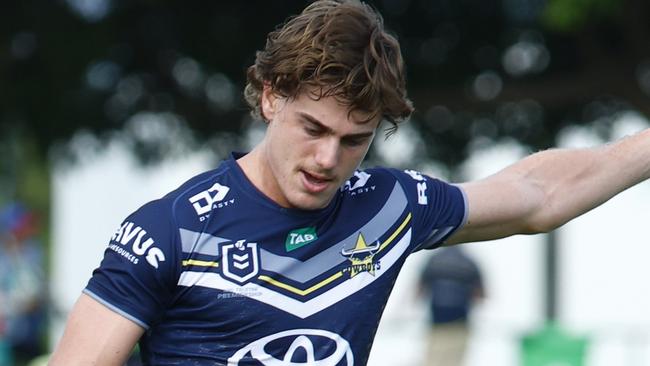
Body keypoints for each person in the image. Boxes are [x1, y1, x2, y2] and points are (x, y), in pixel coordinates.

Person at [49, 0, 650, 365]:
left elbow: (537, 197)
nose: (328, 158)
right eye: (313, 127)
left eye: (354, 140)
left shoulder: (385, 206)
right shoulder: (169, 230)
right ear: (270, 97)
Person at [418, 246, 484, 366]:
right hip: (460, 321)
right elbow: (479, 294)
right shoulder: (469, 262)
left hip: (437, 320)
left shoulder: (434, 260)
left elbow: (420, 291)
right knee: (454, 361)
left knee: (434, 360)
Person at [0, 202, 47, 365]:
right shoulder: (4, 258)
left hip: (30, 333)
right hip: (6, 335)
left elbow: (37, 288)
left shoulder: (33, 251)